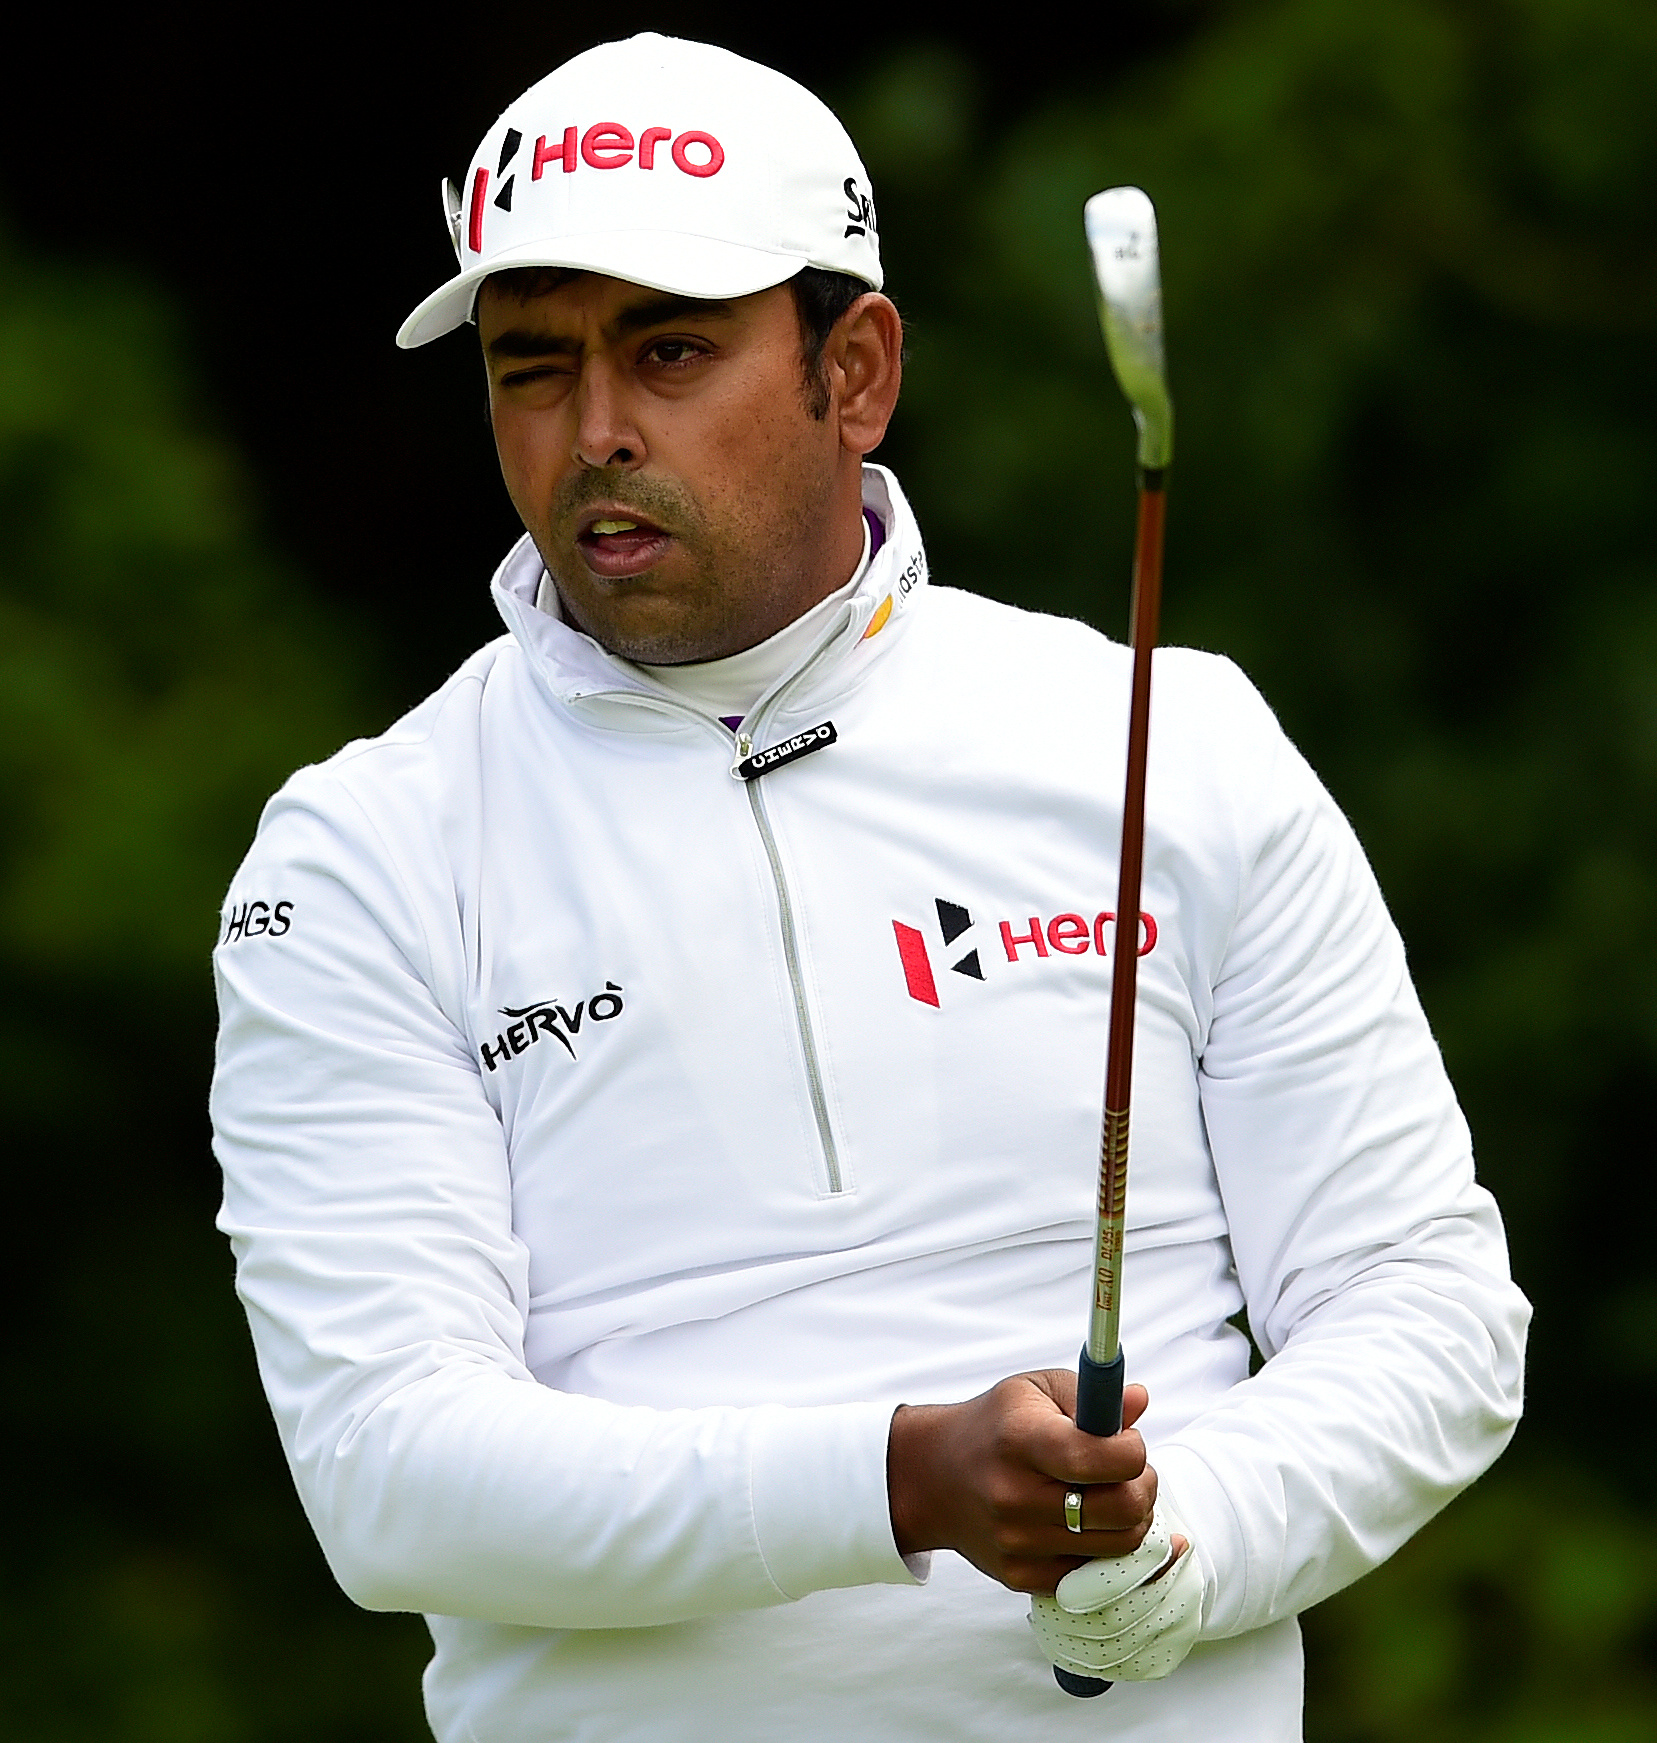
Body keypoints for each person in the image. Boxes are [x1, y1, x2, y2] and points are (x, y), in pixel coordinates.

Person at [208, 32, 1527, 1742]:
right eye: (533, 369)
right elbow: (391, 1476)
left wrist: (1196, 1541)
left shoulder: (1165, 741)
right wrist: (898, 1482)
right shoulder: (361, 853)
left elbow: (1422, 1309)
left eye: (669, 351)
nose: (594, 432)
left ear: (857, 372)